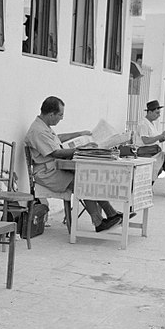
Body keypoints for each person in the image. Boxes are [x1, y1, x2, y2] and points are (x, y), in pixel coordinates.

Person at [24, 96, 123, 233]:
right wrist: (82, 149)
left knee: (89, 179)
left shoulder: (43, 125)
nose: (61, 118)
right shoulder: (38, 131)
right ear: (51, 114)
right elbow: (56, 153)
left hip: (55, 168)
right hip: (47, 173)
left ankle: (112, 214)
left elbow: (58, 138)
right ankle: (99, 221)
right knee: (83, 182)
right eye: (60, 115)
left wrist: (80, 134)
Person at [136, 99, 165, 182]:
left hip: (154, 150)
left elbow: (154, 139)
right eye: (157, 113)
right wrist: (160, 136)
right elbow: (146, 141)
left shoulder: (151, 123)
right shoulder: (143, 124)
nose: (158, 115)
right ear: (150, 112)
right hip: (146, 152)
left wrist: (163, 138)